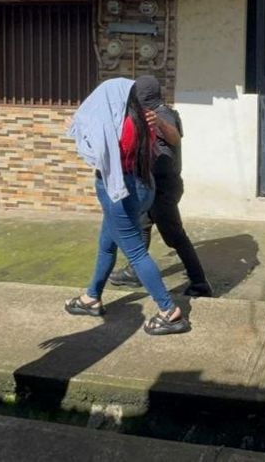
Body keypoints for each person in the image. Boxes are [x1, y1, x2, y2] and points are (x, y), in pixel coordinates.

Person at [65, 77, 190, 335]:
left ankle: (169, 312)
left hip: (120, 192)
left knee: (135, 253)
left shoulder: (122, 126)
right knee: (107, 244)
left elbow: (97, 156)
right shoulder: (144, 119)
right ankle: (91, 297)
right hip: (143, 186)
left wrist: (77, 132)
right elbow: (171, 140)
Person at [107, 75, 213, 298]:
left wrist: (159, 123)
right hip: (151, 184)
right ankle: (135, 271)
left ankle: (200, 283)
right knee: (142, 224)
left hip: (164, 188)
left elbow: (174, 139)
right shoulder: (144, 114)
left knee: (175, 236)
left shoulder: (163, 114)